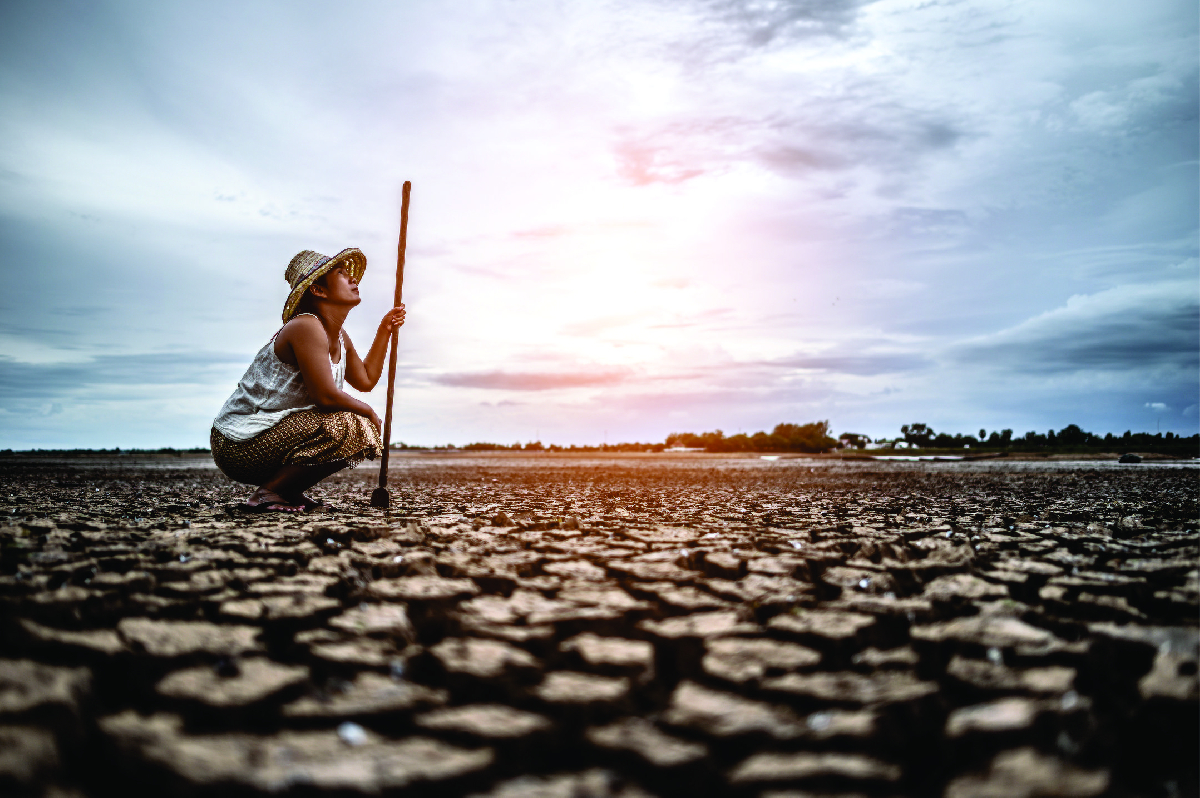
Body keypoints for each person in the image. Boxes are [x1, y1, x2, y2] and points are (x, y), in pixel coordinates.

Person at [210, 248, 406, 512]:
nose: (352, 279)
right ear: (318, 291)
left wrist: (385, 329)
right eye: (341, 274)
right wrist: (368, 411)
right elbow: (324, 397)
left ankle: (288, 491)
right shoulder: (306, 326)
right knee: (353, 425)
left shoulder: (339, 337)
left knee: (358, 426)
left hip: (274, 434)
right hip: (238, 443)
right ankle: (268, 494)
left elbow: (366, 380)